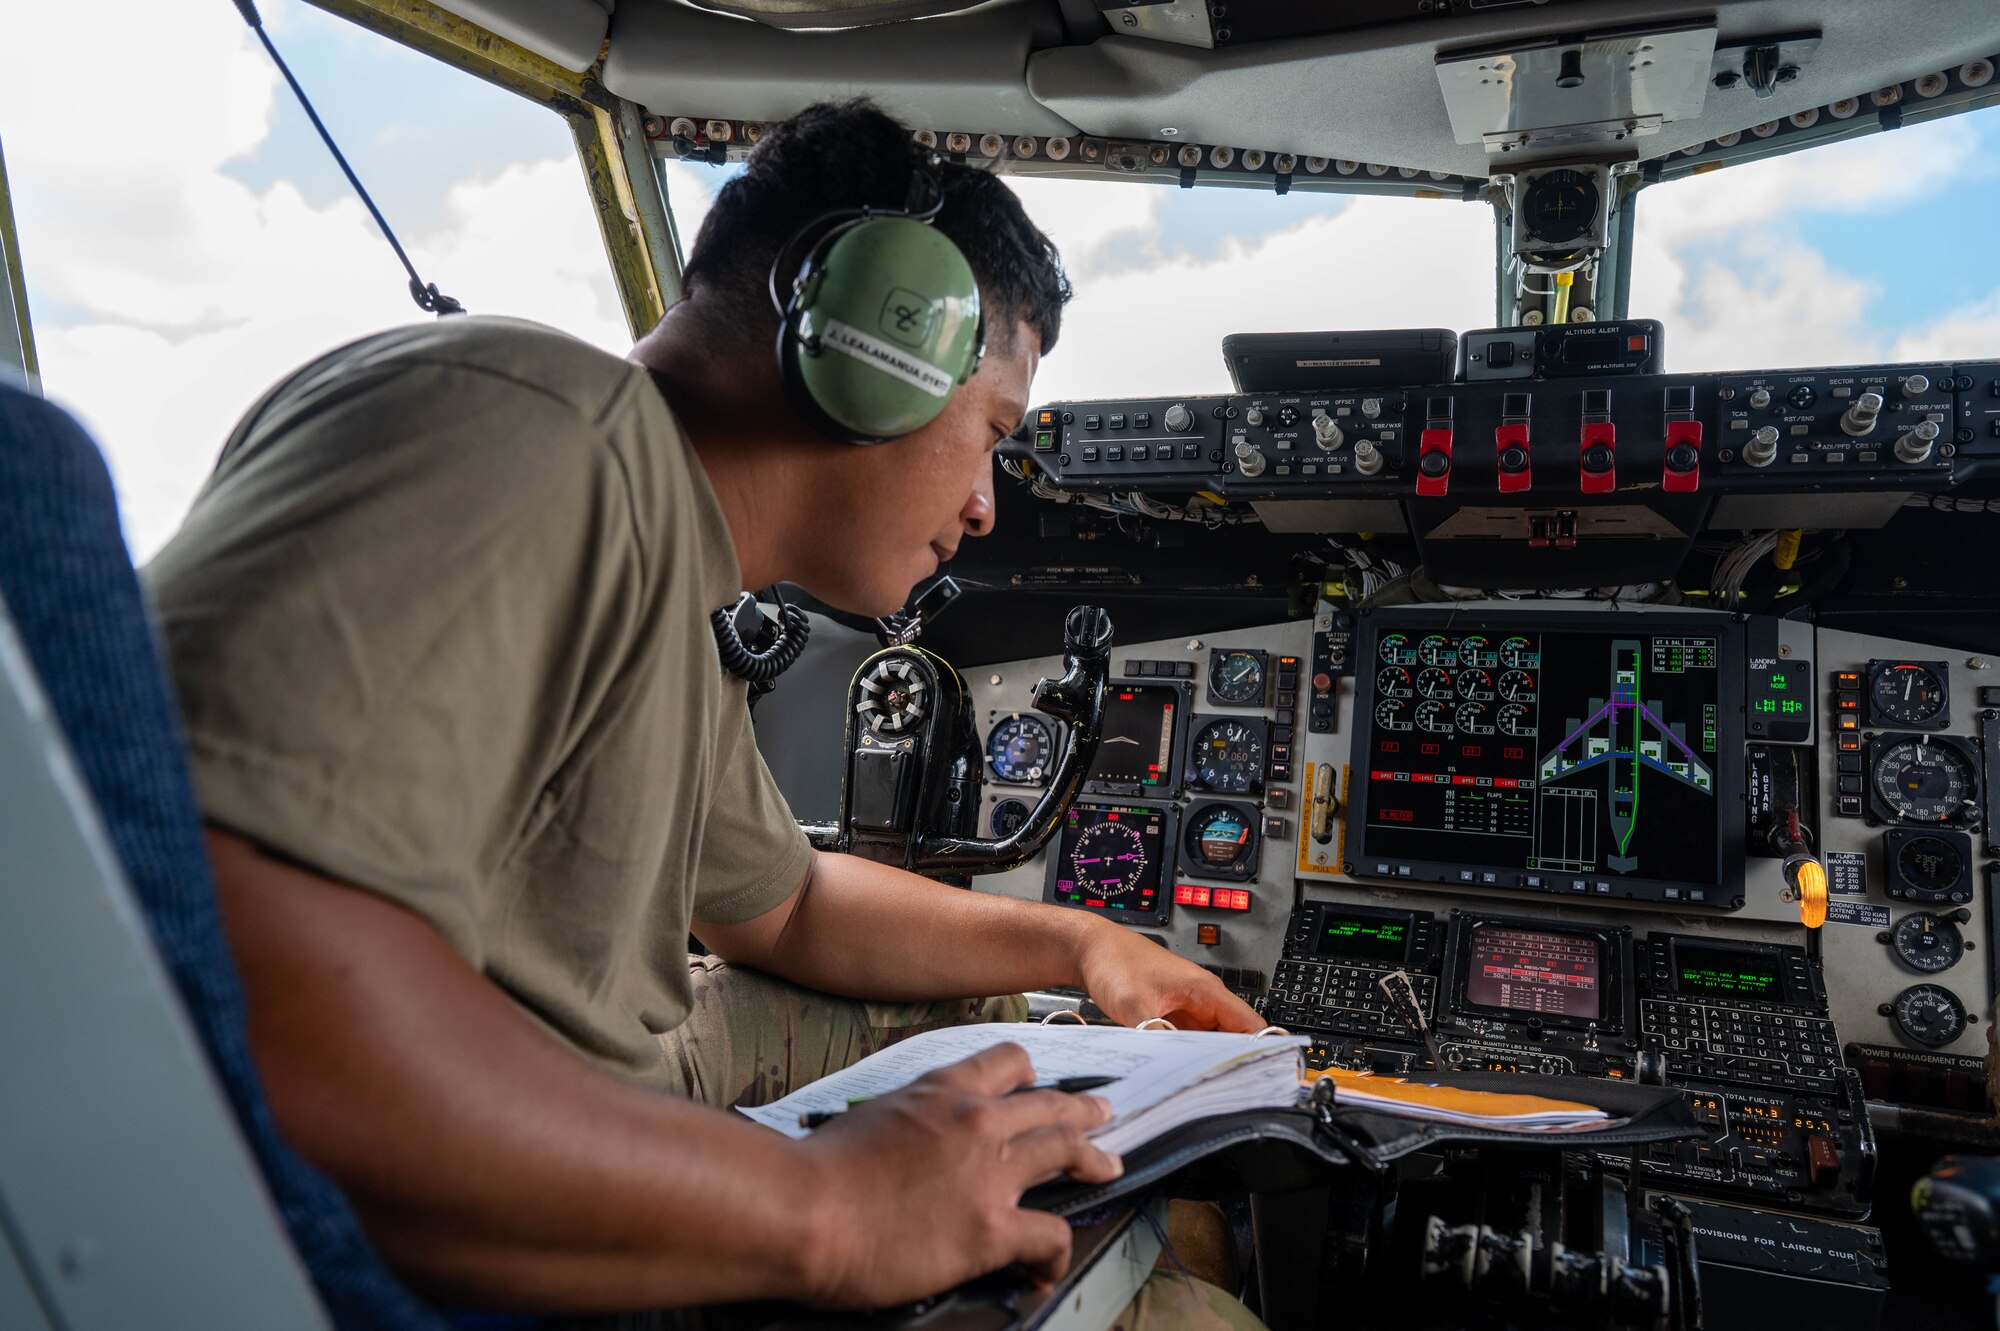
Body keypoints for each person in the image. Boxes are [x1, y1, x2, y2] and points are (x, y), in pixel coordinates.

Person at [145, 99, 1268, 1325]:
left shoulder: (658, 543)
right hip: (458, 1233)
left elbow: (782, 903)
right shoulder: (534, 436)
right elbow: (245, 969)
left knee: (1022, 1046)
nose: (987, 504)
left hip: (581, 1098)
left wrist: (1078, 943)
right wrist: (827, 1210)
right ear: (871, 350)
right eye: (989, 431)